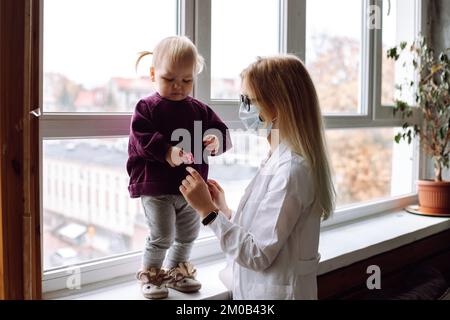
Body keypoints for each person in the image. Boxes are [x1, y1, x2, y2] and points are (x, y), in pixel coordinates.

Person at [179, 54, 335, 300]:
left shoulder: (292, 171)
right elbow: (266, 233)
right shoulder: (277, 161)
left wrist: (207, 212)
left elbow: (258, 254)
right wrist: (224, 211)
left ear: (279, 105)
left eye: (248, 100)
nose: (243, 110)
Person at [127, 36, 232, 299]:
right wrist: (167, 152)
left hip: (191, 189)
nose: (178, 86)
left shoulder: (199, 110)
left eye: (186, 81)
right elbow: (141, 138)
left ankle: (177, 271)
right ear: (153, 74)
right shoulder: (146, 107)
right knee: (161, 233)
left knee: (188, 233)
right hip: (157, 186)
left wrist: (215, 141)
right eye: (169, 79)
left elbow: (222, 132)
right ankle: (150, 273)